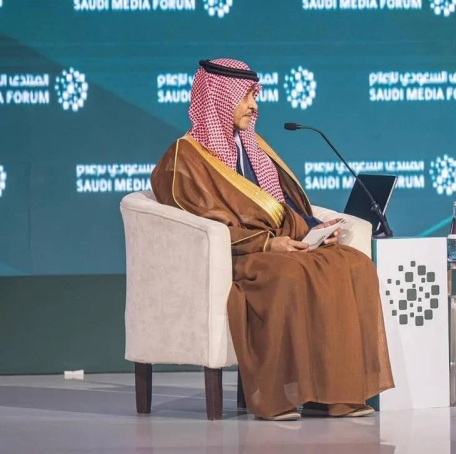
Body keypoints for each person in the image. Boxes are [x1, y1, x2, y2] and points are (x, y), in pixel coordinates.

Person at [150, 58, 394, 421]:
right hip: (236, 255)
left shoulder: (254, 148)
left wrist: (315, 229)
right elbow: (199, 223)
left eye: (254, 95)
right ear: (217, 98)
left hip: (282, 246)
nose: (254, 106)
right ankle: (275, 396)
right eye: (246, 96)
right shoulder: (184, 158)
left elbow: (283, 206)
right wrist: (266, 244)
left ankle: (334, 395)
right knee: (287, 273)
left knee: (354, 264)